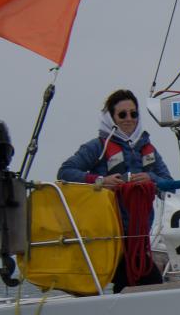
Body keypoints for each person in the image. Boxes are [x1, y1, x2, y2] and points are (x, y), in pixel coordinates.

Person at [57, 89, 173, 293]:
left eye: (133, 114)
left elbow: (170, 185)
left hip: (138, 236)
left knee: (133, 281)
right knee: (147, 281)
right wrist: (100, 181)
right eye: (122, 114)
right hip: (108, 234)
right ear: (111, 117)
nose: (129, 119)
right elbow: (65, 172)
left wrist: (151, 178)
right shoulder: (97, 147)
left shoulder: (148, 149)